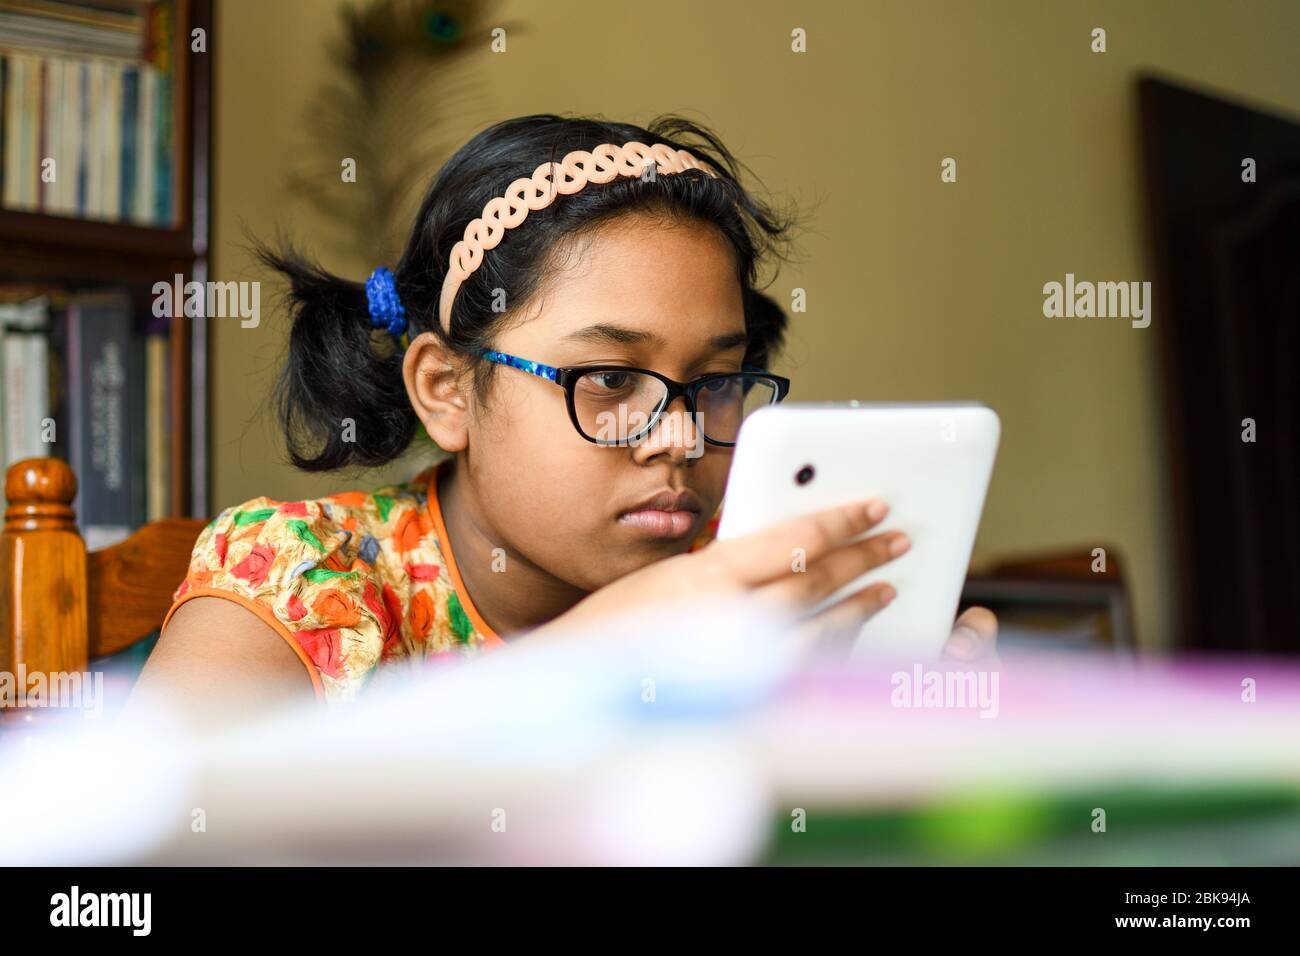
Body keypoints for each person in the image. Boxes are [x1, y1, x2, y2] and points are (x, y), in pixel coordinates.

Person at [132, 114, 996, 728]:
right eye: (611, 377)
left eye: (716, 380)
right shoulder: (301, 580)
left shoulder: (758, 582)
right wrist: (576, 674)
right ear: (445, 389)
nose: (681, 437)